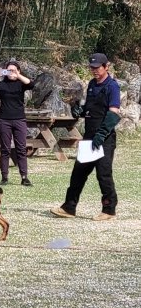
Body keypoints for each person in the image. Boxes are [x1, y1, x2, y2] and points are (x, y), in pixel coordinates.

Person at [51, 53, 121, 221]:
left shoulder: (112, 87)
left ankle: (109, 210)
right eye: (92, 67)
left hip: (104, 138)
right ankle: (69, 207)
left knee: (103, 174)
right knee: (78, 173)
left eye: (97, 67)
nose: (94, 70)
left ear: (106, 67)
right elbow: (92, 108)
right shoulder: (91, 84)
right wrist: (80, 111)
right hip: (90, 136)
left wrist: (101, 135)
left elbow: (114, 113)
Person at [0, 59, 34, 186]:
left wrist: (18, 75)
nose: (11, 72)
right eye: (9, 70)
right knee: (5, 149)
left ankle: (24, 177)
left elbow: (31, 84)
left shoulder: (21, 84)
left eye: (13, 70)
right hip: (4, 120)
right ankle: (4, 177)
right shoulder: (1, 84)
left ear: (18, 71)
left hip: (19, 120)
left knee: (21, 149)